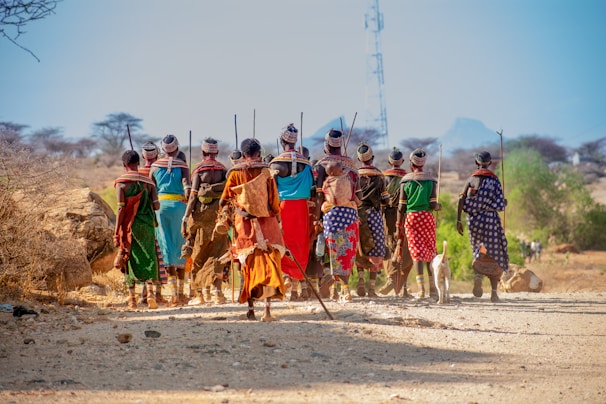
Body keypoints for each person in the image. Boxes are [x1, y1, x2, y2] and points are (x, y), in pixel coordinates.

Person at [219, 138, 286, 321]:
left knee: (248, 264)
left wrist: (227, 213)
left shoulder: (235, 173)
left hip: (244, 223)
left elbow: (225, 199)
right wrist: (276, 216)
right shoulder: (266, 171)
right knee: (269, 264)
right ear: (259, 153)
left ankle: (250, 310)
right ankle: (267, 311)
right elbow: (274, 200)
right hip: (267, 222)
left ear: (243, 154)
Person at [181, 138, 229, 305]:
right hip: (218, 217)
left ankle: (199, 295)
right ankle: (218, 293)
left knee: (198, 253)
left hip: (200, 217)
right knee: (218, 253)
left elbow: (193, 196)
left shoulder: (199, 170)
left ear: (203, 153)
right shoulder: (223, 170)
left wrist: (185, 217)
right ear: (216, 152)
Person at [314, 129, 360, 302]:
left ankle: (335, 288)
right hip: (350, 214)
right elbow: (359, 196)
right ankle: (342, 288)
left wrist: (316, 217)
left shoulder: (322, 165)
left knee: (330, 250)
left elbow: (319, 195)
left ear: (326, 145)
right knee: (347, 250)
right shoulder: (352, 166)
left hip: (331, 215)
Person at [269, 124, 314, 301]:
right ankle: (295, 288)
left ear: (282, 141)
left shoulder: (275, 164)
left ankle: (286, 278)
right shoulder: (306, 164)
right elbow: (311, 188)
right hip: (302, 208)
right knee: (300, 246)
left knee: (283, 243)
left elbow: (272, 191)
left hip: (282, 208)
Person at [456, 151, 508, 303]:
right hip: (491, 220)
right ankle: (494, 293)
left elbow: (461, 199)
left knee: (479, 250)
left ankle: (478, 276)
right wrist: (503, 203)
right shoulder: (495, 181)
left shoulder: (471, 179)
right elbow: (500, 204)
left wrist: (458, 220)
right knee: (495, 252)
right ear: (490, 163)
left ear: (476, 163)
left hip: (474, 220)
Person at [113, 150, 160, 310]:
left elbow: (121, 209)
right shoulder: (148, 182)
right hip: (147, 225)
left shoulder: (121, 183)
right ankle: (151, 293)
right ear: (138, 163)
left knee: (129, 258)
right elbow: (156, 206)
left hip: (129, 227)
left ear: (124, 164)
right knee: (149, 256)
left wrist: (116, 231)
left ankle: (132, 298)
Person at [149, 135, 191, 307]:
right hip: (180, 207)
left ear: (163, 149)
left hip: (160, 208)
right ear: (177, 147)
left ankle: (173, 295)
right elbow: (188, 190)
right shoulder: (183, 166)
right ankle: (180, 294)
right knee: (180, 246)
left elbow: (151, 190)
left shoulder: (154, 166)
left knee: (166, 246)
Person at [395, 148, 440, 299]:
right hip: (427, 218)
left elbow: (401, 206)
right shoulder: (431, 180)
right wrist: (438, 207)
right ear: (423, 163)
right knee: (431, 250)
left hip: (412, 219)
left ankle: (421, 290)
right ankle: (433, 288)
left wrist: (398, 225)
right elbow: (433, 205)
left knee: (416, 252)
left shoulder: (405, 181)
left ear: (410, 164)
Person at [354, 143, 389, 298]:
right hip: (374, 215)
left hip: (357, 215)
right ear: (372, 158)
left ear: (358, 159)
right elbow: (385, 199)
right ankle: (372, 288)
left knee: (359, 247)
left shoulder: (354, 174)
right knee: (376, 248)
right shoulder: (380, 176)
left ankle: (361, 279)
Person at [380, 147, 414, 298]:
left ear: (389, 162)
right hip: (404, 215)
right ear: (403, 161)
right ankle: (403, 286)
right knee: (404, 247)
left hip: (388, 216)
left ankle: (391, 278)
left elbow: (382, 200)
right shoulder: (408, 178)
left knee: (390, 245)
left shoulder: (383, 177)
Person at [137, 141, 168, 306]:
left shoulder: (138, 173)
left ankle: (144, 293)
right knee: (158, 252)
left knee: (145, 252)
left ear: (143, 156)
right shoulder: (160, 170)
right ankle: (157, 293)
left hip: (141, 217)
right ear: (156, 155)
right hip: (157, 214)